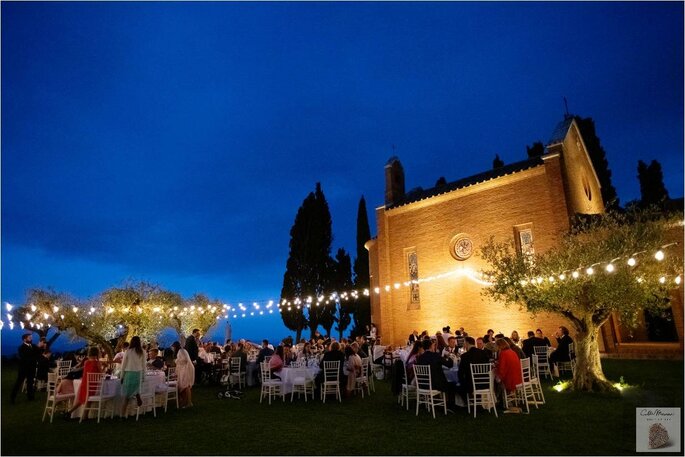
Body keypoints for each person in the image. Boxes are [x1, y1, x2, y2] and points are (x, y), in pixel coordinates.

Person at [64, 347, 105, 418]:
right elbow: (101, 374)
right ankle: (79, 414)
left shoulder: (86, 362)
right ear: (97, 353)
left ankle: (81, 415)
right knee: (87, 399)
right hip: (92, 385)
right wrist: (104, 367)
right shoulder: (97, 363)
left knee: (84, 399)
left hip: (84, 383)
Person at [415, 338, 455, 405]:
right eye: (433, 345)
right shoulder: (436, 356)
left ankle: (436, 401)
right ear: (431, 346)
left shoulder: (420, 357)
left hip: (422, 384)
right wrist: (450, 357)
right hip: (435, 385)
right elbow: (449, 365)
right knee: (452, 384)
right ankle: (450, 404)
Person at [456, 336, 490, 403]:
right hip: (485, 383)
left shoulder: (465, 356)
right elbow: (488, 368)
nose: (463, 345)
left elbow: (460, 373)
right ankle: (477, 401)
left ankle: (468, 402)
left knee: (456, 386)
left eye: (464, 343)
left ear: (467, 343)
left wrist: (461, 382)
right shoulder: (484, 353)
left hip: (471, 385)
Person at [120, 336, 146, 417]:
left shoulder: (128, 351)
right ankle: (137, 394)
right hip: (138, 373)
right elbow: (144, 365)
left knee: (126, 396)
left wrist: (122, 376)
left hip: (129, 373)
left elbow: (123, 365)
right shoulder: (142, 351)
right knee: (135, 389)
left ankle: (122, 414)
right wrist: (144, 376)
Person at [10, 333, 40, 403]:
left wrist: (40, 347)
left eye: (31, 337)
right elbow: (25, 357)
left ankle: (30, 397)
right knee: (19, 383)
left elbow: (38, 353)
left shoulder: (33, 346)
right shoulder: (21, 348)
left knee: (30, 383)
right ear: (24, 339)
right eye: (29, 337)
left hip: (31, 368)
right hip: (23, 368)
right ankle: (12, 397)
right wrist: (33, 356)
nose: (31, 339)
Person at [495, 338, 522, 408]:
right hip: (518, 378)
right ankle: (503, 400)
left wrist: (498, 377)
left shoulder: (503, 353)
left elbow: (502, 369)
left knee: (496, 381)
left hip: (511, 380)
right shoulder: (511, 351)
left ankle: (500, 401)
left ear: (499, 346)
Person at [172, 341, 195, 408]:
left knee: (186, 385)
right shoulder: (181, 351)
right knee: (183, 386)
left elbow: (184, 360)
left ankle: (189, 402)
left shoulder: (181, 351)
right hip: (182, 369)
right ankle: (184, 401)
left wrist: (176, 361)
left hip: (185, 370)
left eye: (173, 347)